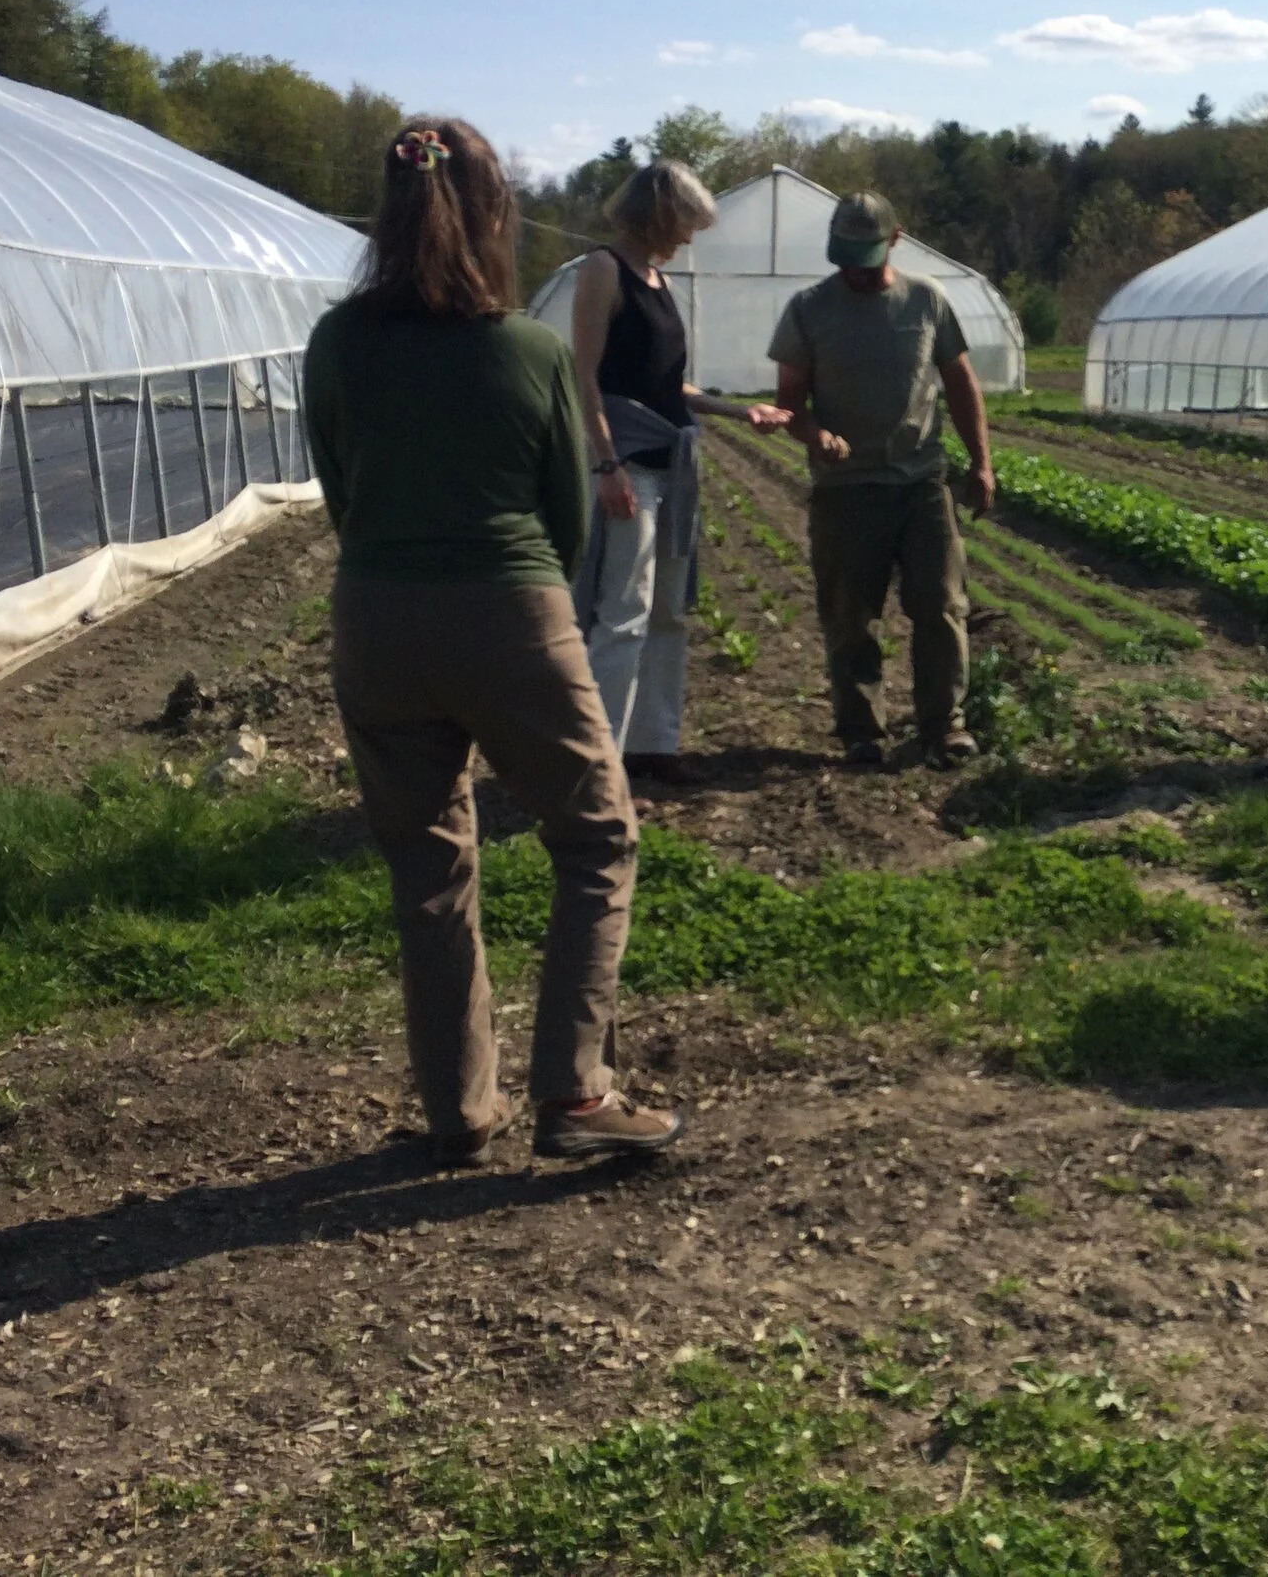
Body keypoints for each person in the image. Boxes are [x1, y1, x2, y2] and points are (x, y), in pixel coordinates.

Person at [304, 117, 681, 1165]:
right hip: (510, 611)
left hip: (374, 618)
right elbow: (564, 518)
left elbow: (340, 490)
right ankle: (573, 1093)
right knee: (596, 835)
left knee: (428, 869)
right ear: (494, 216)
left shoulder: (338, 342)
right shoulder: (525, 350)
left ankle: (460, 1112)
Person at [571, 160, 789, 787]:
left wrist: (737, 410)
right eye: (687, 222)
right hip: (629, 466)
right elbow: (586, 376)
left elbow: (666, 384)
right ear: (661, 213)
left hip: (671, 463)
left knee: (667, 610)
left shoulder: (658, 279)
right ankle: (598, 766)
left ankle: (653, 745)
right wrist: (607, 462)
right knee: (624, 610)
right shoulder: (603, 271)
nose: (692, 236)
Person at [769, 191, 995, 769]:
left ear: (895, 239)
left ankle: (943, 725)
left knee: (942, 606)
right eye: (844, 258)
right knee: (850, 617)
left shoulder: (926, 300)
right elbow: (790, 402)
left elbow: (961, 382)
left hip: (920, 483)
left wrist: (981, 463)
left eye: (864, 258)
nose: (854, 272)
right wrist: (814, 434)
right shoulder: (808, 309)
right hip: (846, 490)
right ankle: (861, 731)